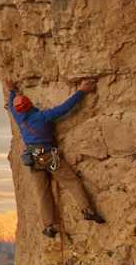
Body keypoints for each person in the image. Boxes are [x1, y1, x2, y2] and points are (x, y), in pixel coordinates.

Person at [6, 78, 105, 238]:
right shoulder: (42, 117)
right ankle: (86, 209)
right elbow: (64, 108)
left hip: (33, 159)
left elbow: (11, 106)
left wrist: (12, 91)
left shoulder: (20, 119)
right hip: (48, 156)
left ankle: (49, 226)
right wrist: (81, 91)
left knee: (43, 193)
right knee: (71, 181)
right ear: (30, 105)